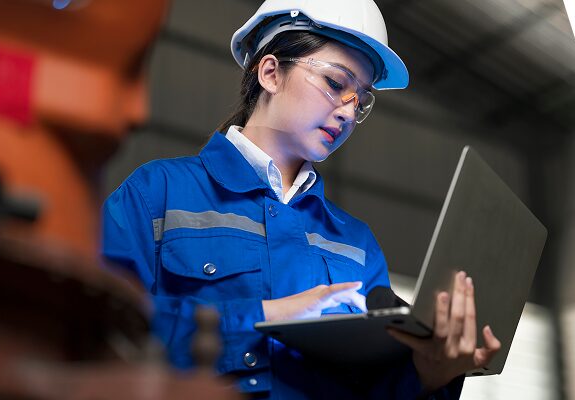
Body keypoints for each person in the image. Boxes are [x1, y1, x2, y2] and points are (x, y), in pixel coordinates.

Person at [101, 0, 501, 398]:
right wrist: (265, 315)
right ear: (271, 73)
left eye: (361, 99)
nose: (349, 113)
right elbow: (96, 329)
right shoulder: (157, 194)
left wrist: (429, 375)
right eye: (336, 83)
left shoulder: (357, 244)